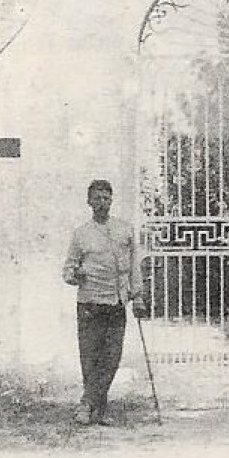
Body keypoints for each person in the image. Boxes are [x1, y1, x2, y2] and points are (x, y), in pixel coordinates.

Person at [63, 179, 146, 425]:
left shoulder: (125, 230)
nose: (102, 203)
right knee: (90, 357)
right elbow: (67, 271)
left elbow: (133, 266)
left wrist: (138, 295)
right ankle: (97, 408)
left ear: (112, 201)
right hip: (89, 302)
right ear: (89, 202)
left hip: (116, 302)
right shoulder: (81, 234)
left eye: (106, 199)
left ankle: (89, 403)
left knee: (112, 357)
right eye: (97, 199)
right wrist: (75, 275)